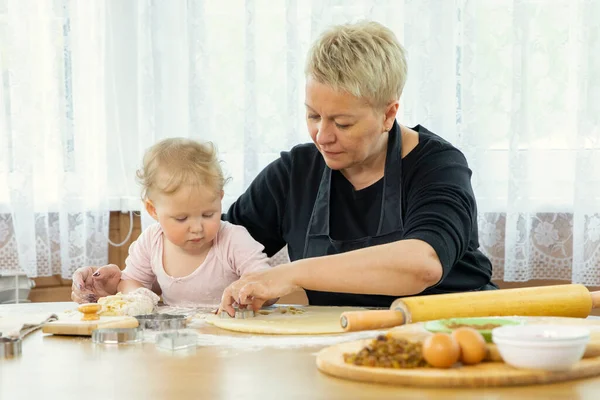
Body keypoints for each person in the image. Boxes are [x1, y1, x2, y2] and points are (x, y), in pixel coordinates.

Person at [72, 20, 496, 315]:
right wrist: (127, 288)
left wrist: (287, 276)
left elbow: (422, 264)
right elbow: (208, 248)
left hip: (448, 332)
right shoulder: (296, 172)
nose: (321, 135)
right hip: (334, 340)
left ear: (389, 114)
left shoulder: (438, 166)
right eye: (313, 115)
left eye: (342, 123)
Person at [71, 138, 275, 307]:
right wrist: (138, 296)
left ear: (220, 198)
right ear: (153, 210)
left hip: (230, 338)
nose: (197, 228)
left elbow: (271, 286)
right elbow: (130, 282)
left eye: (208, 214)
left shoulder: (233, 239)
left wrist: (255, 291)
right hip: (176, 340)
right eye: (181, 218)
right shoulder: (152, 241)